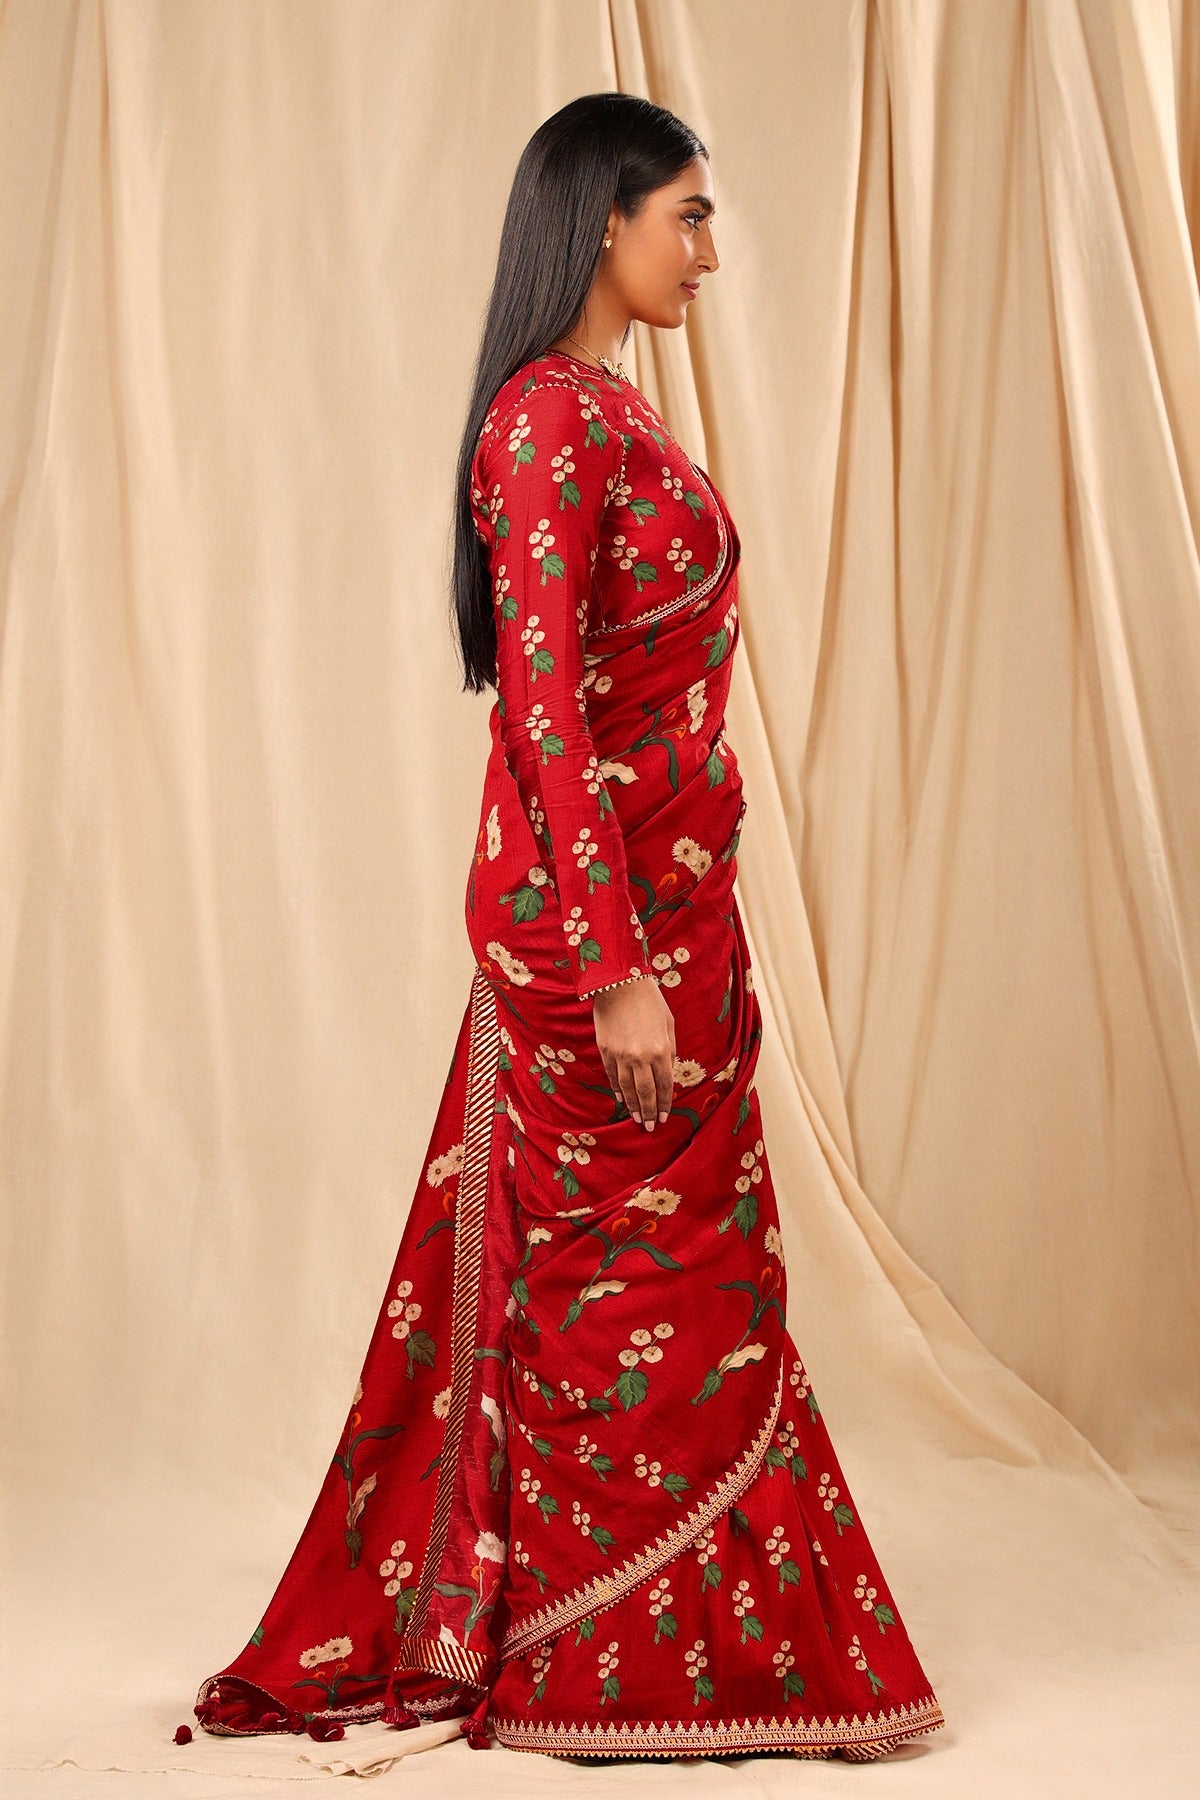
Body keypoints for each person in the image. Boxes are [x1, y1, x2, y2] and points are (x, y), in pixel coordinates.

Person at [192, 91, 947, 1764]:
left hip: (684, 919)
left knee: (701, 1289)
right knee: (624, 1298)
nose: (709, 252)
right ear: (603, 218)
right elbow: (541, 716)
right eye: (689, 216)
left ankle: (697, 1653)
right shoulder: (547, 420)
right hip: (605, 952)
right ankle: (592, 1660)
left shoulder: (610, 409)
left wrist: (672, 945)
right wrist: (613, 974)